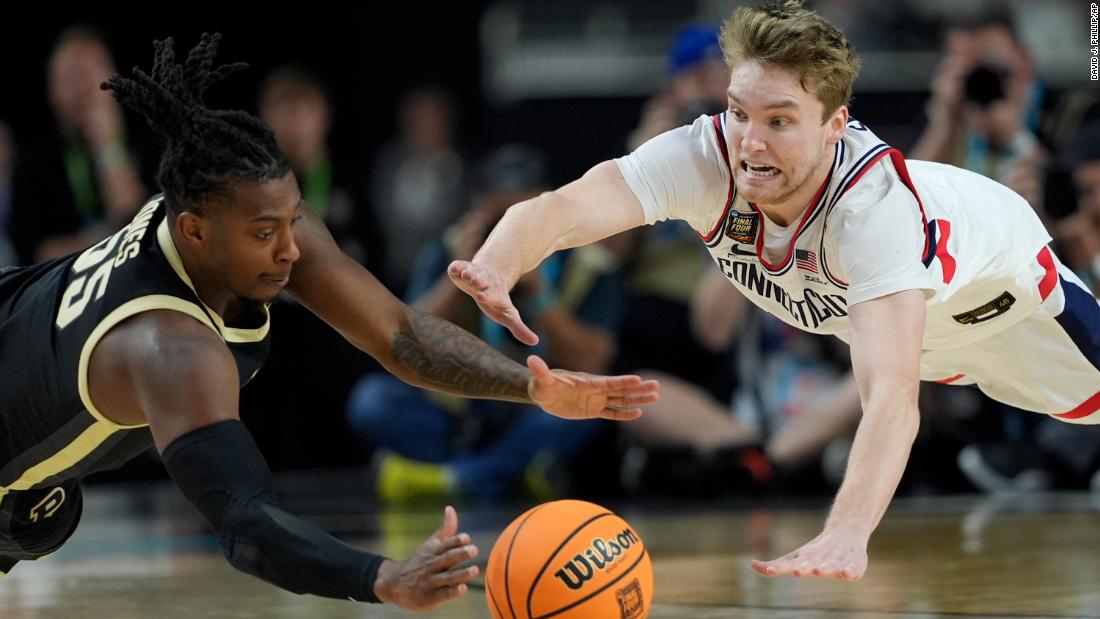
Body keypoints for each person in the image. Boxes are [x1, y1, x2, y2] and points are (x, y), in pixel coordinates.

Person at [0, 34, 659, 612]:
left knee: (41, 517)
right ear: (192, 232)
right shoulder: (169, 346)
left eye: (292, 220)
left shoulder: (246, 218)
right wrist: (381, 577)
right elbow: (245, 523)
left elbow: (401, 334)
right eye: (267, 232)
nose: (291, 248)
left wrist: (532, 387)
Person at [448, 0, 1100, 582]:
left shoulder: (872, 213)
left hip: (1008, 305)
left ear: (834, 125)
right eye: (739, 112)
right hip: (917, 333)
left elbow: (893, 401)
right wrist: (499, 263)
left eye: (780, 121)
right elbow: (562, 208)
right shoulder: (704, 157)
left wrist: (847, 530)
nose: (751, 142)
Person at [349, 144, 626, 503]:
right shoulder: (449, 249)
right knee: (371, 400)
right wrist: (459, 277)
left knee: (594, 405)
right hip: (461, 407)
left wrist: (540, 294)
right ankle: (503, 472)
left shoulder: (589, 264)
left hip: (540, 407)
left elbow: (592, 363)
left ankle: (453, 478)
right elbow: (402, 339)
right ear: (478, 213)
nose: (514, 229)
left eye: (526, 214)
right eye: (502, 216)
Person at [8, 26, 146, 265]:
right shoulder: (32, 164)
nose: (82, 89)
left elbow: (144, 230)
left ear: (115, 79)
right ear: (52, 91)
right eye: (71, 77)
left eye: (90, 74)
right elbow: (36, 256)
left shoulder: (152, 144)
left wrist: (108, 147)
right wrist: (115, 239)